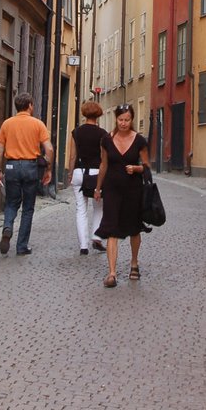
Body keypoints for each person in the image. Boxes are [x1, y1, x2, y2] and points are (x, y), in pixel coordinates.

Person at [94, 103, 150, 287]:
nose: (123, 123)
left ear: (132, 120)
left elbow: (147, 168)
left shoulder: (140, 141)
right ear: (116, 119)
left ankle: (134, 263)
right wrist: (98, 188)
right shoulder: (106, 140)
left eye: (127, 120)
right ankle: (112, 273)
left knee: (134, 228)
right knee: (111, 228)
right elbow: (103, 165)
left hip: (134, 190)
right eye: (120, 120)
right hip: (112, 189)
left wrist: (136, 168)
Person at [0, 92, 53, 256]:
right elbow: (49, 148)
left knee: (11, 203)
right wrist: (48, 169)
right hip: (30, 166)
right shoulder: (37, 124)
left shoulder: (7, 124)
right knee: (28, 207)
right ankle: (21, 246)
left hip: (11, 166)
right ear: (30, 106)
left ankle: (7, 227)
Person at [67, 100, 107, 255]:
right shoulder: (103, 134)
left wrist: (70, 173)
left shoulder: (76, 132)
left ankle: (83, 246)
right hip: (96, 173)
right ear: (98, 115)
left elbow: (72, 156)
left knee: (80, 209)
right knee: (98, 207)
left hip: (79, 172)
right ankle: (96, 237)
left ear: (84, 114)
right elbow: (104, 159)